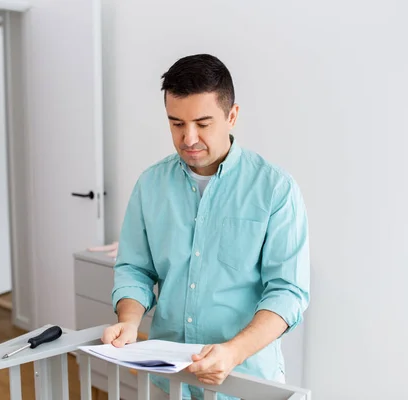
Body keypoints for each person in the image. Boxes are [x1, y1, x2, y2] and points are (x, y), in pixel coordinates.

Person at [102, 54, 310, 400]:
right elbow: (135, 269)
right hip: (168, 379)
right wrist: (130, 319)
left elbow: (288, 292)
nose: (189, 138)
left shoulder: (275, 189)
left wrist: (233, 351)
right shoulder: (150, 185)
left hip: (244, 381)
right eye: (177, 124)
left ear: (232, 116)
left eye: (203, 123)